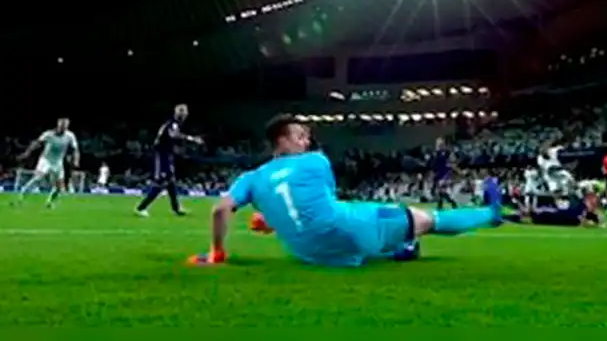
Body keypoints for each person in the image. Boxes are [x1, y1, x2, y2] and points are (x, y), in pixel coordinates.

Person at [188, 114, 504, 267]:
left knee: (367, 227)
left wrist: (219, 252)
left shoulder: (251, 177)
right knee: (424, 218)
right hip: (350, 230)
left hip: (309, 255)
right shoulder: (316, 160)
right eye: (300, 135)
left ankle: (400, 248)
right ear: (282, 140)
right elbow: (323, 206)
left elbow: (220, 209)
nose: (306, 141)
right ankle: (490, 213)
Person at [135, 103, 202, 217]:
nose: (184, 115)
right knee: (161, 182)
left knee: (171, 182)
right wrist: (191, 138)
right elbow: (173, 135)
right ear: (179, 113)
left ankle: (176, 209)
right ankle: (141, 208)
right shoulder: (173, 124)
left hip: (166, 155)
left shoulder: (171, 124)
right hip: (162, 156)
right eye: (183, 112)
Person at [14, 117, 79, 208]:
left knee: (59, 186)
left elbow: (75, 149)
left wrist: (76, 160)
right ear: (58, 125)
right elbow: (36, 143)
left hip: (58, 162)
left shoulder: (70, 136)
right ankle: (21, 196)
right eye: (62, 125)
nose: (64, 128)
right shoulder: (49, 134)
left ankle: (49, 202)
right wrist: (26, 153)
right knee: (38, 178)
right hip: (45, 160)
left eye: (66, 126)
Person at [432, 137, 458, 210]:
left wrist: (450, 166)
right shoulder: (437, 153)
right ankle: (451, 203)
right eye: (437, 143)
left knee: (441, 189)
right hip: (439, 173)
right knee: (440, 191)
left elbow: (453, 161)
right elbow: (435, 163)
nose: (438, 145)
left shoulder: (447, 152)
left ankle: (442, 205)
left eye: (440, 143)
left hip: (445, 173)